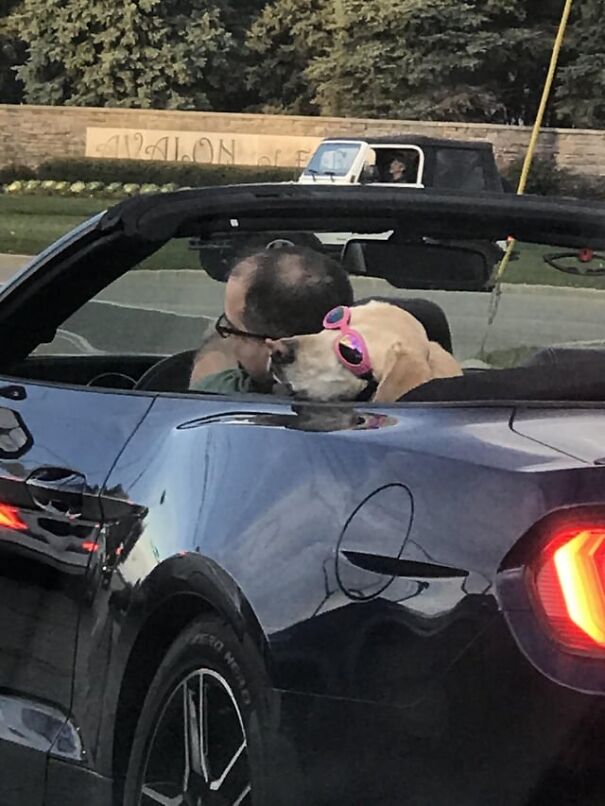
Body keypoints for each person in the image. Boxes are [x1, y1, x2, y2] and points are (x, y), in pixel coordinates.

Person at [190, 245, 354, 394]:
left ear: (276, 350)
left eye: (231, 330)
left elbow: (206, 380)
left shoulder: (220, 398)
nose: (230, 341)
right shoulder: (375, 398)